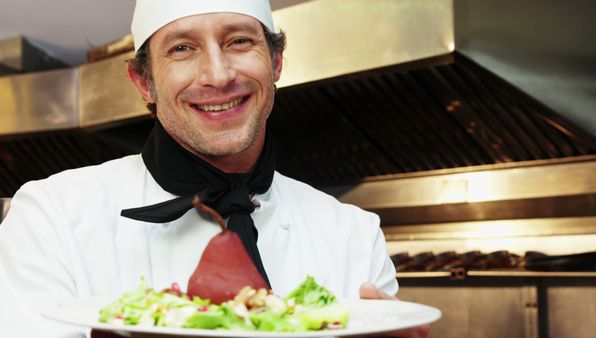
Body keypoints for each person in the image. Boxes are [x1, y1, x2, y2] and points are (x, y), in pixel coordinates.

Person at [0, 1, 428, 337]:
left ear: (276, 62)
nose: (218, 75)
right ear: (143, 82)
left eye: (239, 41)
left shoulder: (353, 233)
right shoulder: (51, 216)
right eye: (182, 48)